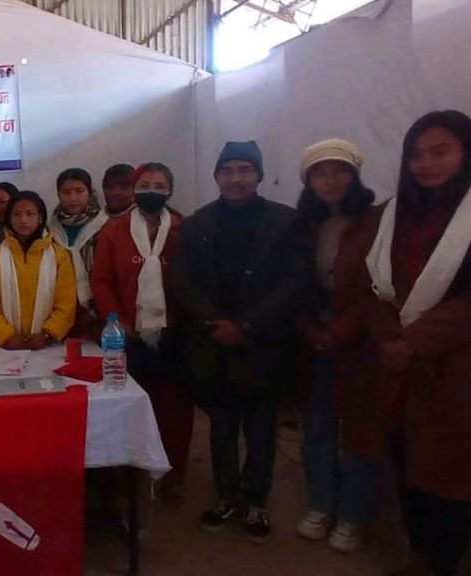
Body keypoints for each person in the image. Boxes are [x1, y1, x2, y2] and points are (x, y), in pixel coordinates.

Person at [172, 141, 309, 544]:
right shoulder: (196, 224)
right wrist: (216, 322)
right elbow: (182, 282)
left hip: (265, 344)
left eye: (245, 170)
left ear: (259, 176)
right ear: (216, 176)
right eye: (228, 170)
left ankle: (256, 501)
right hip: (213, 343)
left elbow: (293, 283)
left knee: (261, 429)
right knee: (222, 428)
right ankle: (226, 497)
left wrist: (246, 324)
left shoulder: (286, 222)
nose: (236, 178)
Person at [359, 111, 471, 576]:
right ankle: (419, 556)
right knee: (406, 464)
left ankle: (442, 561)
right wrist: (390, 337)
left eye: (439, 152)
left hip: (455, 371)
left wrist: (416, 341)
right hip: (398, 366)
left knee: (450, 473)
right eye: (416, 154)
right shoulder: (397, 214)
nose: (425, 163)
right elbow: (378, 284)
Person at [289, 139, 380, 553]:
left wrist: (342, 330)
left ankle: (352, 515)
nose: (331, 180)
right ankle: (321, 504)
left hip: (361, 340)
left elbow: (380, 286)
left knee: (358, 429)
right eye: (320, 172)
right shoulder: (303, 224)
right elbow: (293, 282)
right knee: (317, 424)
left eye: (341, 170)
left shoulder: (374, 221)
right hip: (315, 338)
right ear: (308, 180)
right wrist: (310, 329)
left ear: (355, 175)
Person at [91, 162, 193, 505]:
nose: (152, 191)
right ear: (135, 189)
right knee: (129, 410)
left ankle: (171, 477)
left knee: (175, 412)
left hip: (174, 335)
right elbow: (101, 281)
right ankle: (131, 477)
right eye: (145, 184)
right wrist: (118, 321)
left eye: (160, 185)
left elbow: (194, 281)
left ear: (171, 190)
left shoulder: (182, 228)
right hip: (128, 336)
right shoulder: (114, 231)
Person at [0, 190, 76, 350]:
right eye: (17, 214)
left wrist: (47, 334)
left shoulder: (59, 256)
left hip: (47, 346)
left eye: (30, 214)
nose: (23, 220)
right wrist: (6, 336)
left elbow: (66, 303)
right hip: (5, 347)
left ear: (40, 218)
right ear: (9, 218)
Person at [49, 168, 107, 339]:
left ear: (89, 192)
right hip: (61, 308)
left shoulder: (105, 225)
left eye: (79, 191)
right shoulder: (50, 230)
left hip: (100, 307)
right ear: (58, 195)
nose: (73, 198)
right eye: (66, 192)